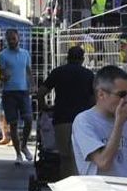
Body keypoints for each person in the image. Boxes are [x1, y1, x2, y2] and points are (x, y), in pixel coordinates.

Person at [71, 65, 127, 178]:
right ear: (101, 94)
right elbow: (103, 162)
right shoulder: (84, 121)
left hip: (126, 187)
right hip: (100, 188)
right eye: (121, 95)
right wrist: (119, 124)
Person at [40, 46, 95, 179]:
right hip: (83, 121)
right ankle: (80, 181)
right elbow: (94, 99)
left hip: (62, 119)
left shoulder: (58, 72)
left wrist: (45, 107)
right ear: (82, 59)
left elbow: (41, 92)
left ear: (67, 57)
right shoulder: (89, 75)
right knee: (81, 156)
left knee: (65, 157)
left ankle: (66, 182)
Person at [0, 29, 33, 163]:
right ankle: (18, 154)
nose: (12, 41)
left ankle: (24, 146)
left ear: (18, 38)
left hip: (23, 92)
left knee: (29, 119)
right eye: (9, 39)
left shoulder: (25, 54)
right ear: (6, 40)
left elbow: (28, 71)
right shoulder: (2, 55)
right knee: (13, 124)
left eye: (14, 38)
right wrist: (4, 77)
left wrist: (32, 85)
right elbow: (1, 75)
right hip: (9, 93)